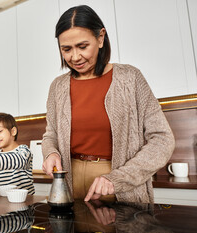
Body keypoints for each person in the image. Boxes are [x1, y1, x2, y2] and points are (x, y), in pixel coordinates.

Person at [41, 5, 175, 203]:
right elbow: (50, 134)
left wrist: (117, 179)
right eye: (66, 49)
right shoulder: (57, 87)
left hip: (120, 185)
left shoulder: (130, 78)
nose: (75, 57)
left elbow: (163, 139)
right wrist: (50, 153)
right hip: (70, 184)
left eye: (83, 46)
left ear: (101, 37)